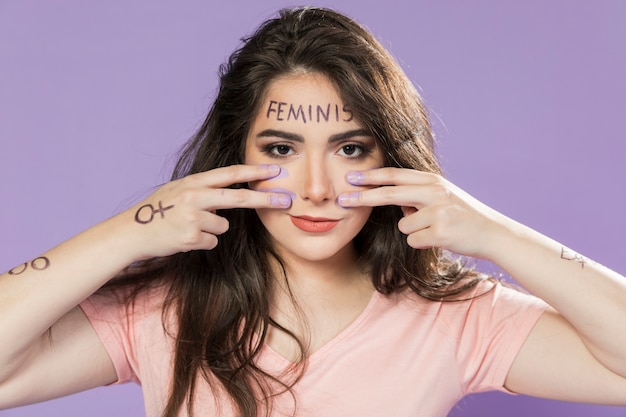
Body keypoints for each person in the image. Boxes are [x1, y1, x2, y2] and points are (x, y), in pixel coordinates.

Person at [1, 6, 625, 417]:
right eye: (281, 149)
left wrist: (496, 233)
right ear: (235, 153)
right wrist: (128, 231)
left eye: (351, 148)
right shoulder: (163, 309)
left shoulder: (458, 318)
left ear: (392, 157)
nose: (318, 188)